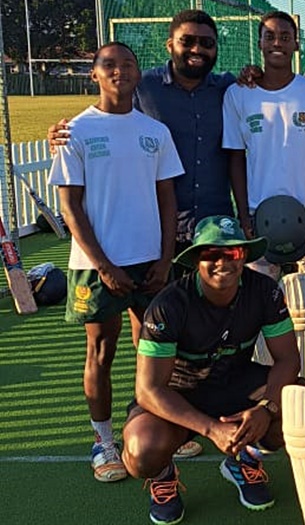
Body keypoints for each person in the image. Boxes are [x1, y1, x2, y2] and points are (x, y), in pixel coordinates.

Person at [48, 42, 183, 483]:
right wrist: (103, 265)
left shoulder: (155, 133)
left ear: (138, 73)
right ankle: (103, 440)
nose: (120, 71)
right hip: (95, 266)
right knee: (101, 352)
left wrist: (165, 259)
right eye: (109, 64)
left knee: (156, 351)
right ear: (94, 75)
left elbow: (168, 201)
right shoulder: (76, 131)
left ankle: (152, 427)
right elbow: (70, 207)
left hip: (150, 262)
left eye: (127, 64)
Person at [121, 215, 302, 524]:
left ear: (243, 255)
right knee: (142, 451)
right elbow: (149, 390)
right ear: (196, 260)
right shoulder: (168, 305)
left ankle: (246, 459)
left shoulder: (264, 290)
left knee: (302, 403)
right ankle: (163, 476)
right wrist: (211, 428)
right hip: (180, 393)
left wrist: (266, 408)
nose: (222, 262)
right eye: (210, 254)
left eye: (231, 253)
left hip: (236, 385)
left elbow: (287, 360)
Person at [48, 10, 236, 258]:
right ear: (170, 45)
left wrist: (254, 74)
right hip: (158, 230)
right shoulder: (144, 86)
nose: (197, 49)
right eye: (187, 41)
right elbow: (107, 118)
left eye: (207, 43)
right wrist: (62, 133)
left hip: (216, 226)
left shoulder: (230, 88)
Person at [222, 11, 305, 285]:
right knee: (259, 310)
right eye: (270, 37)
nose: (278, 43)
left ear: (296, 44)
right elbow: (236, 159)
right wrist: (244, 216)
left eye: (285, 37)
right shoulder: (238, 94)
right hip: (257, 217)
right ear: (259, 44)